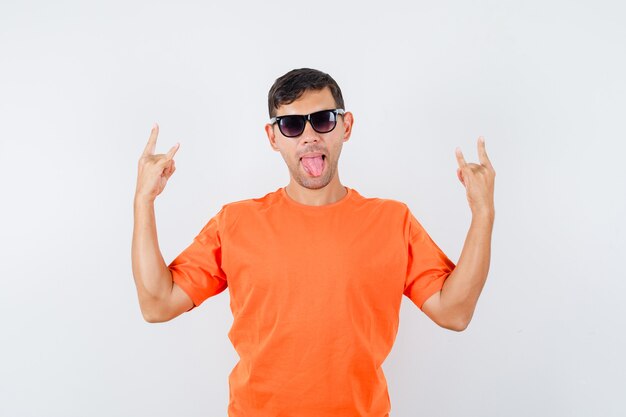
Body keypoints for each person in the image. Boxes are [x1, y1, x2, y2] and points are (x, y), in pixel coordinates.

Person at [131, 68, 496, 417]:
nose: (309, 136)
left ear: (346, 125)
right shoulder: (235, 222)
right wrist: (143, 201)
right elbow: (157, 304)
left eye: (323, 120)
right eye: (291, 124)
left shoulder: (392, 221)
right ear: (273, 137)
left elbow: (454, 312)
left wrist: (483, 214)